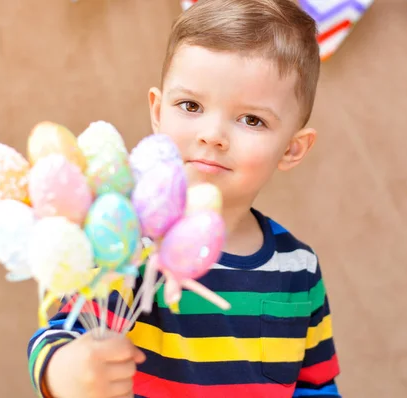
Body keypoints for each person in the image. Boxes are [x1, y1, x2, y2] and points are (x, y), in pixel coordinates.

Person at [27, 0, 341, 397]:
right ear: (158, 112)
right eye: (190, 105)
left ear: (292, 149)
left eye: (252, 120)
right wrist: (65, 373)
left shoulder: (298, 268)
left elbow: (316, 386)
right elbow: (58, 337)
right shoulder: (128, 243)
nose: (212, 134)